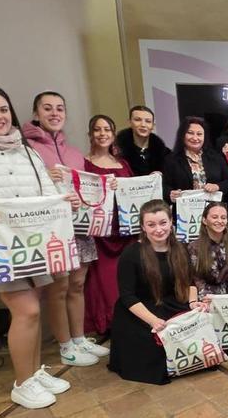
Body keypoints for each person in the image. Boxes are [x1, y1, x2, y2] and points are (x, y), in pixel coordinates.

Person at [0, 86, 78, 409]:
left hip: (30, 244)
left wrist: (66, 202)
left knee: (31, 309)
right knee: (28, 310)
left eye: (3, 110)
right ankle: (22, 383)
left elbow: (46, 193)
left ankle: (33, 373)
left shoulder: (27, 151)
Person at [23, 91, 109, 367]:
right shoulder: (28, 150)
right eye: (47, 108)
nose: (54, 113)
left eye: (60, 108)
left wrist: (107, 186)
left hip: (79, 226)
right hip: (53, 229)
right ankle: (65, 345)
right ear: (36, 114)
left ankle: (79, 338)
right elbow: (22, 190)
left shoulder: (74, 153)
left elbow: (87, 188)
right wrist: (45, 177)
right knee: (58, 288)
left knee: (77, 284)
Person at [108, 200, 202, 385]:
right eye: (151, 225)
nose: (158, 229)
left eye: (163, 223)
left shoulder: (181, 248)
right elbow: (127, 296)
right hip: (140, 309)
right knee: (157, 350)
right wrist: (153, 321)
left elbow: (190, 281)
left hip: (171, 302)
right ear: (143, 227)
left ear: (171, 223)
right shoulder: (131, 254)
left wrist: (192, 304)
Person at [83, 114, 136, 335]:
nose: (103, 134)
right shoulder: (83, 163)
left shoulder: (122, 164)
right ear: (90, 134)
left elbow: (133, 191)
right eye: (98, 129)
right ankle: (108, 323)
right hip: (101, 231)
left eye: (107, 129)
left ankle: (132, 318)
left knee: (128, 275)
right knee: (103, 279)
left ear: (113, 135)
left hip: (125, 230)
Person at [163, 116, 228, 204]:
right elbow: (165, 186)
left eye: (199, 134)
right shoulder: (171, 160)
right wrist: (170, 194)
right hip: (185, 212)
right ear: (182, 135)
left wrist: (217, 186)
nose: (195, 138)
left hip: (213, 211)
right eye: (190, 133)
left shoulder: (215, 157)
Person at [116, 105, 170, 176]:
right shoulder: (117, 152)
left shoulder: (165, 154)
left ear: (153, 126)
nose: (143, 125)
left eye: (148, 121)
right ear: (130, 122)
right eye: (137, 120)